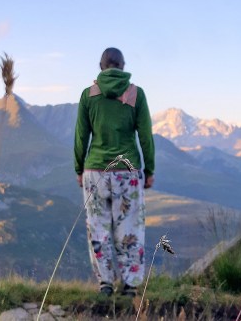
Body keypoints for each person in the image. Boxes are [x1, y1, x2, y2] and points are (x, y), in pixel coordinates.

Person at [74, 47, 155, 297]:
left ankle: (105, 284)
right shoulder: (135, 94)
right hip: (127, 172)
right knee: (129, 228)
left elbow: (80, 136)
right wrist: (149, 169)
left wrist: (79, 168)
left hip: (94, 171)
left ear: (101, 66)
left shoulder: (89, 95)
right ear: (123, 66)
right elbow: (145, 136)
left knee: (98, 229)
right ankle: (130, 285)